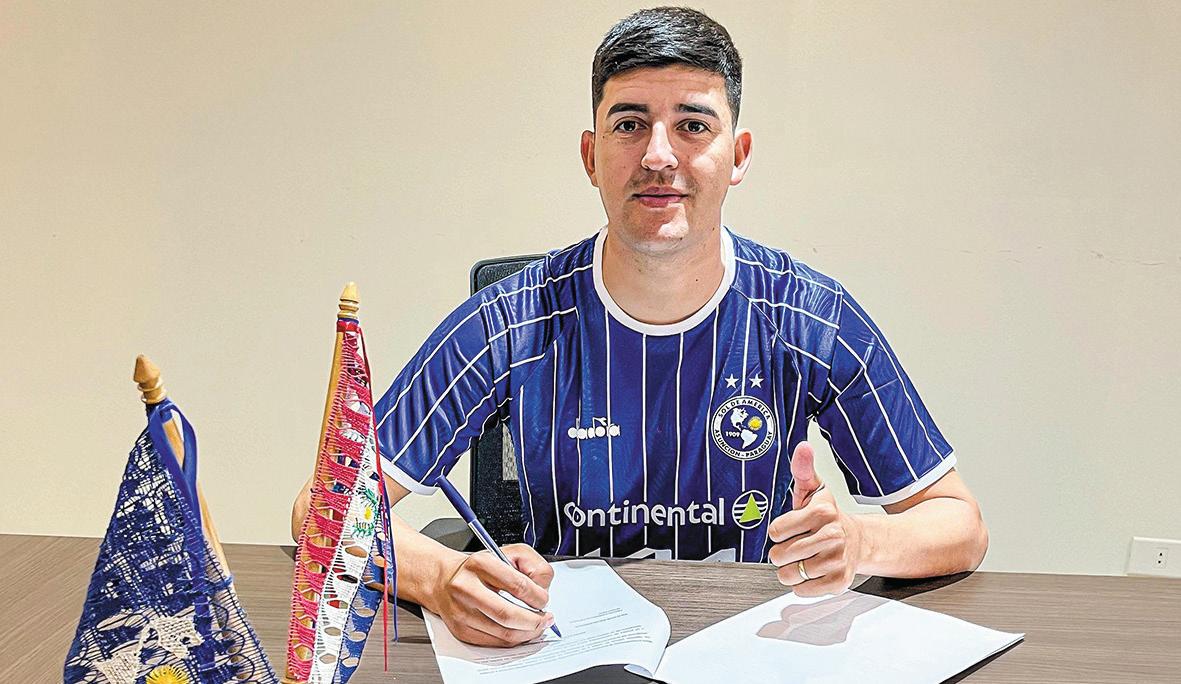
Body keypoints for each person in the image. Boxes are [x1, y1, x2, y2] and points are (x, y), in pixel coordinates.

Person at [292, 6, 988, 648]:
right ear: (591, 156)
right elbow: (321, 511)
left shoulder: (810, 315)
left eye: (693, 125)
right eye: (629, 125)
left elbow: (959, 522)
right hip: (561, 650)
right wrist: (440, 577)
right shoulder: (510, 321)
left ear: (738, 154)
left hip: (748, 647)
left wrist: (859, 544)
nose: (659, 156)